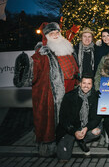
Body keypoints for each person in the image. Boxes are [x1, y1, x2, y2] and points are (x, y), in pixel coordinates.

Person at [14, 22, 79, 156]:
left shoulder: (67, 47)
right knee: (52, 120)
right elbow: (36, 64)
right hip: (55, 92)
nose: (55, 35)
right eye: (51, 33)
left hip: (71, 88)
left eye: (57, 33)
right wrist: (26, 65)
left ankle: (67, 141)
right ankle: (50, 145)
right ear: (46, 36)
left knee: (68, 117)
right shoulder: (43, 52)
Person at [56, 74, 102, 161]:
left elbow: (96, 118)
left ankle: (82, 141)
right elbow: (63, 118)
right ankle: (75, 139)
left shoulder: (95, 97)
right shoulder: (69, 96)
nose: (86, 86)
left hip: (85, 126)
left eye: (89, 84)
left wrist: (86, 128)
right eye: (84, 83)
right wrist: (74, 131)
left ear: (92, 85)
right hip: (71, 127)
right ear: (80, 84)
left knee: (97, 131)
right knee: (63, 158)